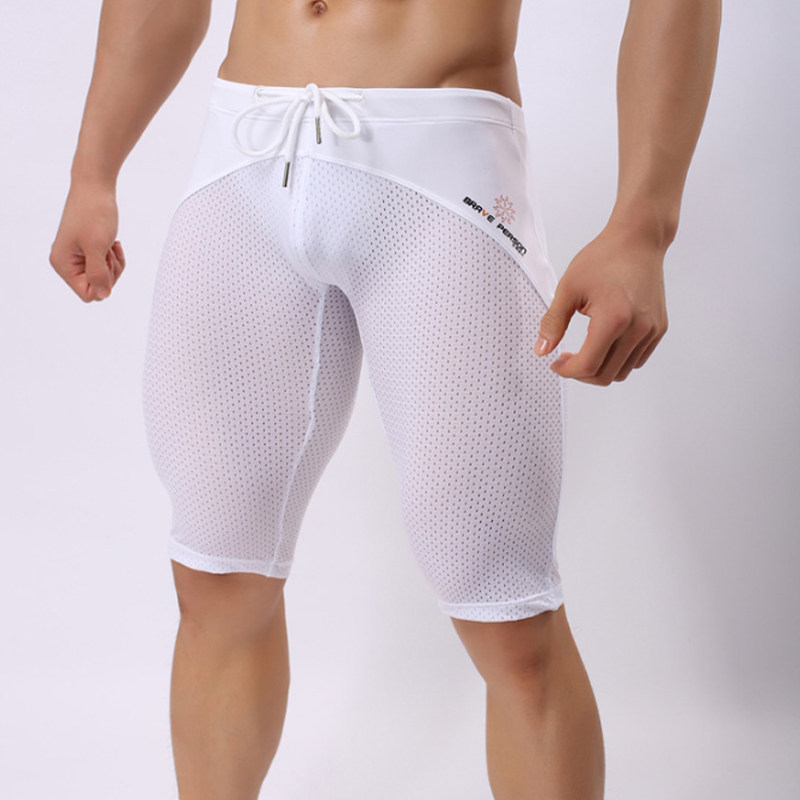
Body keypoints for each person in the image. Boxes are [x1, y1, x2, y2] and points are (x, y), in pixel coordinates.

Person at [48, 1, 721, 798]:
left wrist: (644, 225)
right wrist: (93, 169)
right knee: (216, 577)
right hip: (243, 161)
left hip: (442, 174)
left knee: (507, 615)